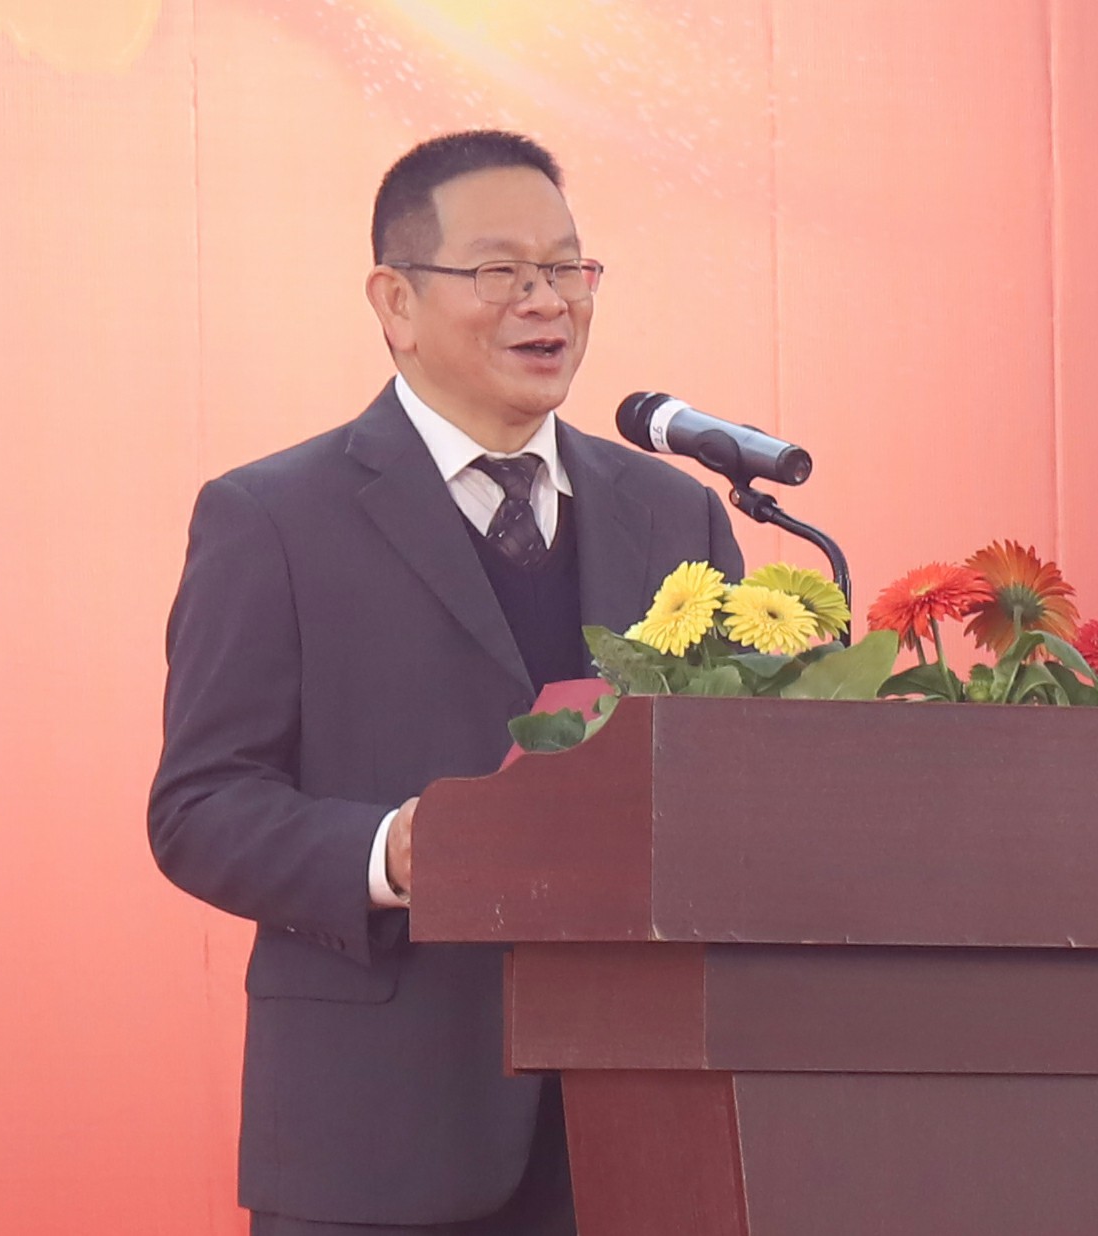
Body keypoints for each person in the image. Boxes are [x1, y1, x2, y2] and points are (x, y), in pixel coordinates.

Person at [148, 130, 744, 1236]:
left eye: (565, 268)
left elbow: (727, 781)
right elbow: (199, 808)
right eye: (501, 271)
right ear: (396, 302)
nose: (546, 301)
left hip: (640, 1126)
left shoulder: (677, 514)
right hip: (377, 1133)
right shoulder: (272, 519)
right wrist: (392, 852)